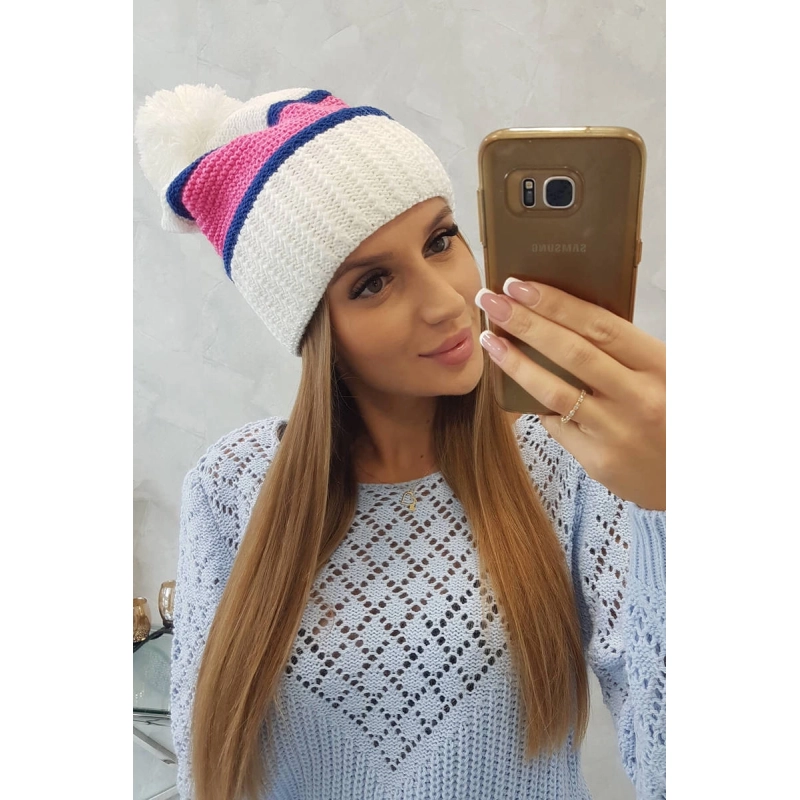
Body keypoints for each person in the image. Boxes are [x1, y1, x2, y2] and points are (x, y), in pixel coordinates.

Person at [135, 85, 666, 800]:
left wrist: (669, 503)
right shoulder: (232, 482)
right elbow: (208, 768)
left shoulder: (567, 457)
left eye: (441, 240)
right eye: (373, 283)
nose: (447, 302)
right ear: (312, 328)